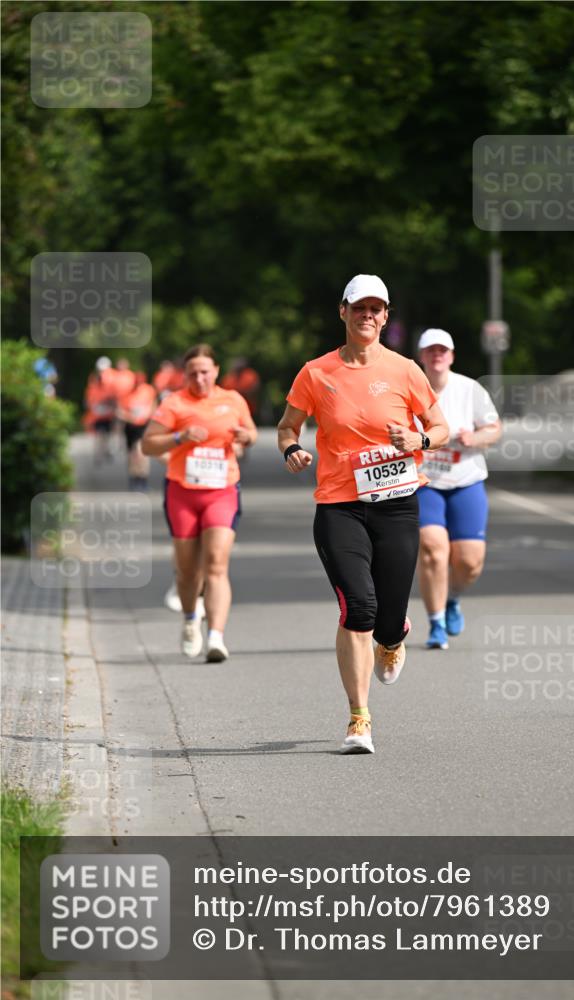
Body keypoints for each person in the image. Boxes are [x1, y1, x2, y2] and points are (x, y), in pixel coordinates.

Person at [277, 275, 449, 755]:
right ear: (343, 312)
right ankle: (359, 718)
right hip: (339, 505)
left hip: (396, 503)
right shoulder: (316, 372)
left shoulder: (405, 370)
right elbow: (288, 424)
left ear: (386, 316)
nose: (367, 315)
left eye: (377, 309)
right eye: (359, 308)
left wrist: (421, 440)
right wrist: (291, 447)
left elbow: (440, 425)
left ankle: (394, 638)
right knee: (359, 608)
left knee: (388, 617)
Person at [142, 344, 257, 662]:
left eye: (205, 371)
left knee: (217, 564)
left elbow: (250, 432)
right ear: (185, 374)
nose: (200, 378)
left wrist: (245, 437)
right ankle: (191, 619)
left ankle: (216, 637)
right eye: (192, 373)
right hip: (182, 491)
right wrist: (179, 438)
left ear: (216, 371)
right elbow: (148, 445)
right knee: (188, 570)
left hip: (222, 490)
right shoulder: (174, 403)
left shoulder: (232, 400)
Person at [415, 329, 502, 650]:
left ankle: (452, 598)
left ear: (451, 356)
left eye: (443, 350)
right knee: (433, 550)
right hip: (425, 484)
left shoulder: (470, 389)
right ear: (422, 356)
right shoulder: (411, 389)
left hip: (466, 480)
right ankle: (436, 622)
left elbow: (494, 429)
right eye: (431, 350)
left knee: (469, 562)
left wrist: (474, 438)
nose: (437, 355)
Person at [116, 371, 157, 491]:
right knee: (132, 455)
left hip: (143, 426)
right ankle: (133, 478)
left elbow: (154, 405)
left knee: (141, 452)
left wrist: (148, 414)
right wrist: (130, 417)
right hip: (130, 427)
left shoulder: (149, 390)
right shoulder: (126, 394)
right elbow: (119, 411)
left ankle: (142, 478)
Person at [84, 356, 116, 463]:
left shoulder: (112, 377)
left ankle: (106, 449)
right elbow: (89, 395)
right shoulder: (93, 380)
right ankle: (98, 454)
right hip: (97, 413)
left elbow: (113, 395)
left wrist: (111, 404)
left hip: (107, 413)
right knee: (98, 434)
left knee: (107, 433)